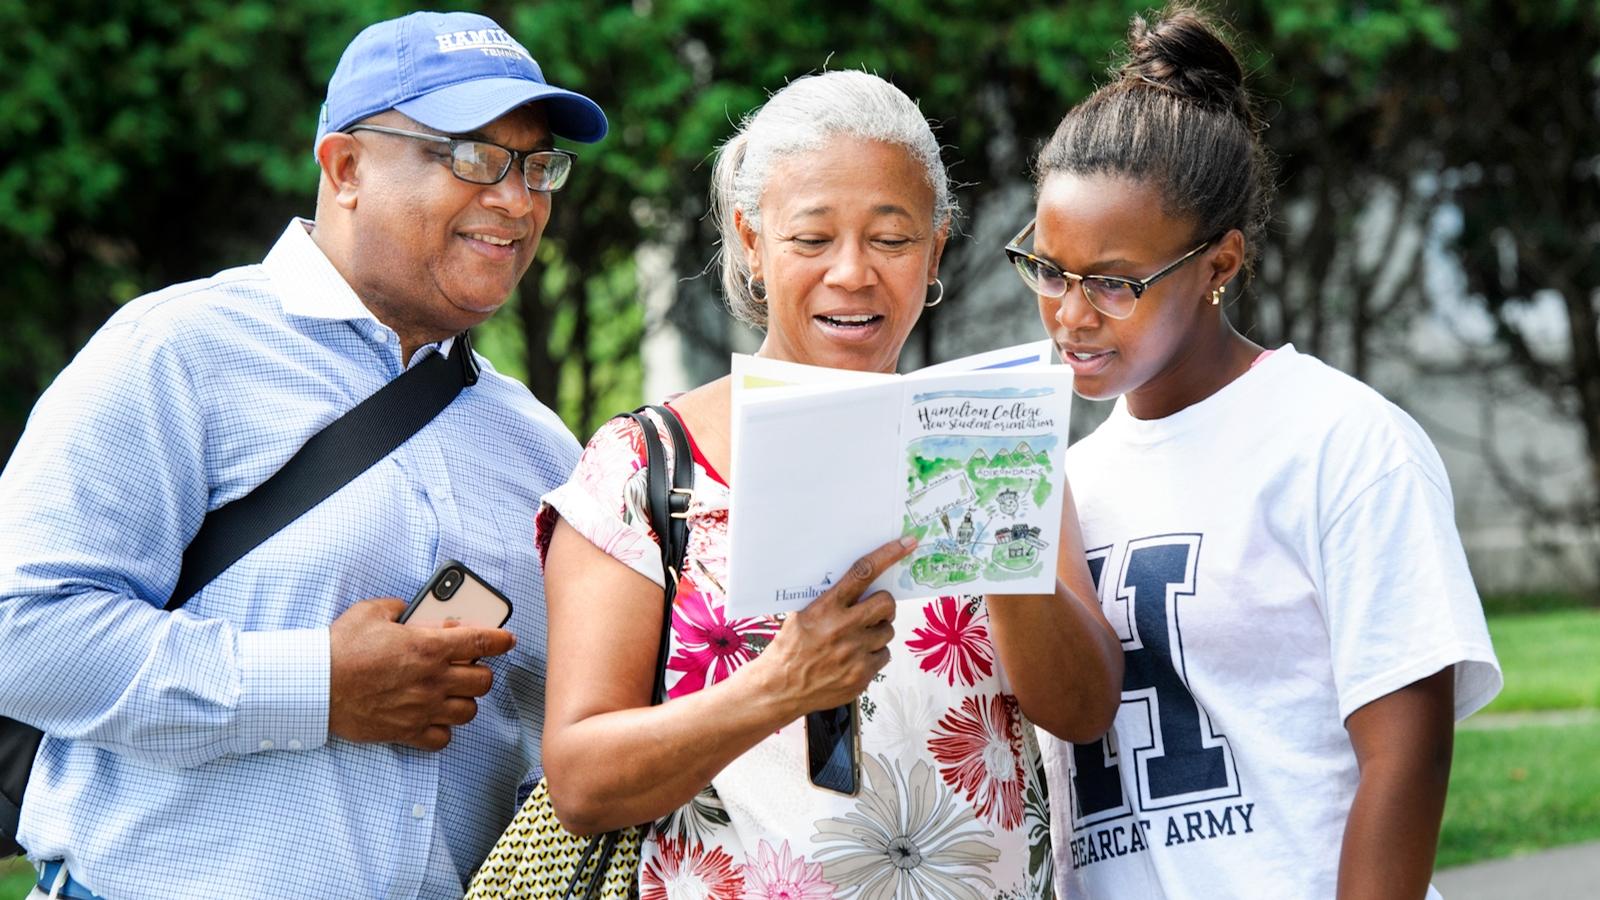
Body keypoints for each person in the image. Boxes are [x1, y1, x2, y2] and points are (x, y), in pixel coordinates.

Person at [0, 11, 606, 899]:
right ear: (346, 166)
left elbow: (548, 751)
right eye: (473, 156)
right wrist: (317, 683)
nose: (517, 200)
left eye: (537, 165)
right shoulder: (178, 351)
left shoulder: (544, 448)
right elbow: (20, 631)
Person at [536, 70, 1124, 899]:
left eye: (891, 239)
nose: (852, 274)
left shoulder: (994, 436)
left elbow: (1083, 710)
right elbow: (581, 783)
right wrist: (777, 687)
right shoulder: (643, 467)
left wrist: (999, 544)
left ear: (937, 246)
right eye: (811, 239)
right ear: (750, 238)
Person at [1005, 7, 1503, 899]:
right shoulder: (1066, 481)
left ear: (1219, 264)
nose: (1072, 314)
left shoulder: (1341, 443)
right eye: (1049, 270)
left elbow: (1408, 759)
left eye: (1115, 283)